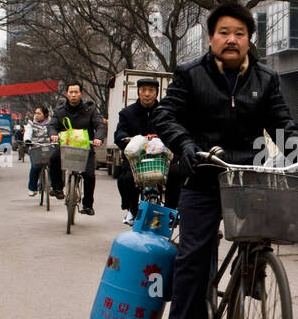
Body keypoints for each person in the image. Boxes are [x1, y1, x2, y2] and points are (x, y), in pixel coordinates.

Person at [153, 2, 298, 319]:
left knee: (261, 238)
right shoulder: (190, 74)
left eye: (239, 34)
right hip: (202, 174)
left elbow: (282, 125)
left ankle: (252, 276)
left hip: (247, 178)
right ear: (210, 38)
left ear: (250, 40)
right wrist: (186, 147)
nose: (231, 40)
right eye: (224, 33)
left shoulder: (266, 80)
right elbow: (167, 115)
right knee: (193, 256)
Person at [114, 78, 181, 224]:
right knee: (125, 179)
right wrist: (125, 138)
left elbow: (175, 129)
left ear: (156, 93)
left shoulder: (166, 112)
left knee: (177, 174)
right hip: (137, 159)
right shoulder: (127, 113)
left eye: (151, 90)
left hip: (163, 158)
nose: (147, 94)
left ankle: (170, 212)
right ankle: (132, 211)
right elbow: (120, 133)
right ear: (138, 92)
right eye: (143, 90)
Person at [48, 82, 105, 216]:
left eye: (76, 92)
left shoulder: (90, 110)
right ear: (67, 94)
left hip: (85, 148)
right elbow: (52, 125)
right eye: (71, 92)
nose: (73, 95)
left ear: (81, 94)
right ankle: (57, 188)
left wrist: (98, 138)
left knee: (89, 175)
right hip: (65, 147)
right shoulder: (59, 111)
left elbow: (100, 125)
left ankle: (87, 205)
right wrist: (53, 135)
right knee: (53, 158)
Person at [24, 106, 55, 196]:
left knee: (53, 166)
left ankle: (54, 187)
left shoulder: (52, 123)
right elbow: (28, 133)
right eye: (35, 113)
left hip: (49, 148)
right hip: (35, 149)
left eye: (39, 113)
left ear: (45, 115)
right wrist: (27, 140)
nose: (36, 115)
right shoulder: (31, 124)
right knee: (35, 167)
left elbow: (56, 132)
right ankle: (32, 188)